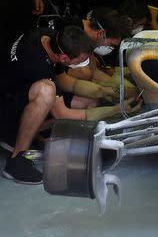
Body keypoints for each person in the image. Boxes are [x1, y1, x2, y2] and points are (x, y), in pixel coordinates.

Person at [0, 25, 141, 185]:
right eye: (80, 61)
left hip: (22, 93)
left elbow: (62, 79)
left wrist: (104, 91)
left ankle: (31, 136)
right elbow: (61, 113)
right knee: (46, 91)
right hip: (6, 112)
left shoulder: (53, 38)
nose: (83, 64)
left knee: (89, 103)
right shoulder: (36, 62)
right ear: (64, 59)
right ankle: (17, 160)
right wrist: (115, 110)